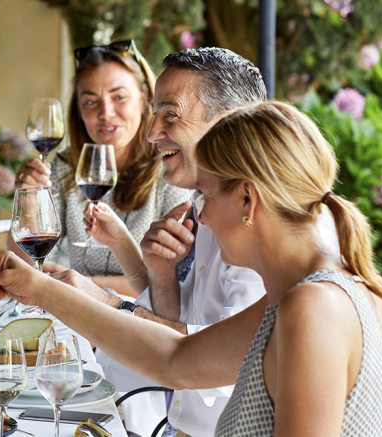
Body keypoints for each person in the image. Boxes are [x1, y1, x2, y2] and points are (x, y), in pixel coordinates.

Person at [0, 100, 382, 436]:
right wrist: (39, 287)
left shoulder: (313, 309)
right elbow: (174, 359)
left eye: (205, 196)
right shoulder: (322, 290)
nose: (203, 216)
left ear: (248, 200)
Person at [44, 48, 274, 437]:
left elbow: (219, 359)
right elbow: (183, 324)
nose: (152, 133)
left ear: (230, 124)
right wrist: (161, 275)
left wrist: (99, 301)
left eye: (170, 115)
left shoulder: (260, 219)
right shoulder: (203, 202)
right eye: (155, 114)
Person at [13, 40, 191, 297]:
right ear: (79, 111)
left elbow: (179, 284)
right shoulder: (63, 168)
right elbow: (27, 264)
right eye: (90, 102)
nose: (106, 113)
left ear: (144, 101)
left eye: (119, 97)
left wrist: (80, 282)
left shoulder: (171, 168)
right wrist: (27, 200)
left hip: (143, 320)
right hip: (75, 314)